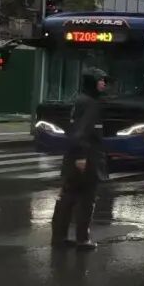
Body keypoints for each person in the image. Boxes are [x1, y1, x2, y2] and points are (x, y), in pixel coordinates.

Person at [51, 68, 108, 250]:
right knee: (86, 199)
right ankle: (82, 239)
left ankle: (59, 237)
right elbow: (82, 131)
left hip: (75, 156)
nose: (103, 84)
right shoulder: (90, 103)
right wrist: (82, 156)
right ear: (92, 82)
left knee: (68, 196)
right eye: (100, 80)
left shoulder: (80, 100)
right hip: (87, 158)